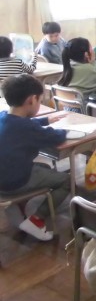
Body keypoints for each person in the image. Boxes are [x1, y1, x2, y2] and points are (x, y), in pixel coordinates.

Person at [0, 74, 69, 241]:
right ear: (31, 100)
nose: (40, 104)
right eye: (40, 100)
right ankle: (36, 219)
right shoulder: (27, 128)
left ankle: (20, 208)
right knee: (66, 181)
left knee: (44, 168)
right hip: (14, 182)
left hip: (3, 177)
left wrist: (45, 120)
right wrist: (65, 129)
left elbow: (23, 125)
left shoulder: (3, 116)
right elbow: (56, 137)